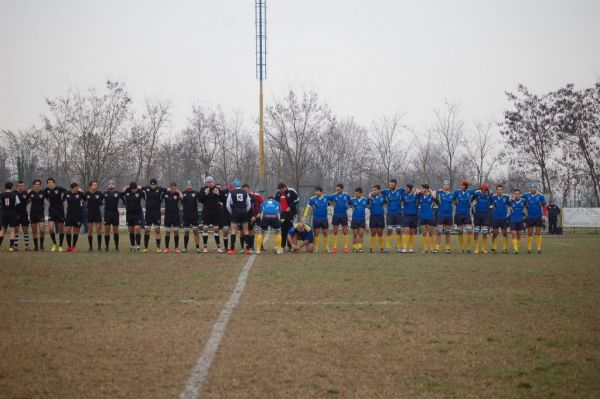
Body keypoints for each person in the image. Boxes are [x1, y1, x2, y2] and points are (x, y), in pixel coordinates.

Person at [226, 179, 252, 255]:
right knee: (246, 230)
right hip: (243, 211)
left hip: (235, 211)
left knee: (233, 231)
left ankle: (232, 249)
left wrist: (232, 212)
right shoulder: (245, 192)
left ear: (234, 185)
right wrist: (245, 211)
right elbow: (249, 205)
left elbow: (228, 205)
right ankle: (247, 249)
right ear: (240, 185)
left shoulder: (231, 192)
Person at [199, 176, 224, 253]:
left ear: (213, 182)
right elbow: (200, 200)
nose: (209, 183)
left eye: (211, 182)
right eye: (208, 182)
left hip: (215, 212)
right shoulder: (203, 189)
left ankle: (218, 247)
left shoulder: (217, 189)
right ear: (206, 183)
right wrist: (205, 194)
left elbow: (223, 199)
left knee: (216, 229)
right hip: (206, 211)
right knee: (205, 228)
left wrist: (218, 194)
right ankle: (205, 247)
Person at [303, 186, 331, 253]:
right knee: (316, 234)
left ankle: (327, 248)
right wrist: (305, 216)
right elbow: (308, 207)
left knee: (325, 233)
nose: (316, 192)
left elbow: (330, 203)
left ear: (321, 192)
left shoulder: (326, 198)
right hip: (316, 218)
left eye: (317, 191)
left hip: (324, 218)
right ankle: (316, 248)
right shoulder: (312, 199)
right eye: (315, 191)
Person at [522, 182, 547, 253]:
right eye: (531, 188)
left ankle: (539, 249)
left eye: (534, 188)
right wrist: (511, 198)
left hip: (538, 216)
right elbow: (517, 197)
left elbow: (544, 206)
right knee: (529, 233)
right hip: (530, 217)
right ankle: (529, 249)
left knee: (538, 233)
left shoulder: (541, 196)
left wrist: (544, 215)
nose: (533, 189)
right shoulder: (525, 195)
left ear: (536, 188)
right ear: (530, 189)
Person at [141, 178, 165, 253]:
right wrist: (128, 187)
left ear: (156, 184)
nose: (153, 186)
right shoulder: (146, 189)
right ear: (150, 184)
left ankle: (158, 248)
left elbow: (169, 189)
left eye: (154, 184)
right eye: (151, 184)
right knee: (147, 230)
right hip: (148, 213)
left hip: (157, 213)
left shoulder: (160, 189)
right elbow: (137, 187)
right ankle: (146, 248)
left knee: (157, 230)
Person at [274, 183, 299, 250]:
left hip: (290, 214)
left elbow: (297, 199)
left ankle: (290, 246)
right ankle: (282, 246)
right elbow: (275, 202)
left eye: (281, 189)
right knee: (282, 229)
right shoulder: (278, 193)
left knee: (290, 229)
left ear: (284, 187)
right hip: (282, 215)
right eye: (279, 190)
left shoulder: (291, 191)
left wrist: (290, 207)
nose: (280, 191)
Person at [44, 177, 67, 252]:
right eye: (48, 182)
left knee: (61, 229)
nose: (50, 183)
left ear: (54, 183)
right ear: (47, 184)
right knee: (50, 228)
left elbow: (67, 193)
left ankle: (60, 245)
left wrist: (63, 199)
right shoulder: (46, 190)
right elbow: (39, 193)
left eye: (51, 182)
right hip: (51, 211)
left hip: (60, 211)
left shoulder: (59, 189)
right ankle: (54, 244)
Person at [382, 179, 404, 252]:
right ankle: (387, 248)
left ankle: (399, 248)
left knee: (398, 230)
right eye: (390, 185)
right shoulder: (386, 191)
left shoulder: (400, 190)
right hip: (390, 214)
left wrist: (416, 191)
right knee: (389, 230)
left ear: (395, 185)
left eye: (392, 185)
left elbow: (409, 190)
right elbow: (377, 192)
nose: (390, 186)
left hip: (398, 213)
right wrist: (371, 193)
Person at [454, 180, 476, 253]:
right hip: (458, 214)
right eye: (461, 185)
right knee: (460, 232)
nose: (461, 186)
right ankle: (462, 248)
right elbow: (452, 198)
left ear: (466, 186)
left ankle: (469, 248)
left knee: (469, 231)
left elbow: (478, 191)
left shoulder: (470, 192)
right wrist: (456, 204)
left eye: (462, 185)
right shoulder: (457, 192)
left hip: (467, 214)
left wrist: (472, 201)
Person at [122, 182, 144, 251]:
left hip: (138, 213)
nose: (134, 190)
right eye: (132, 189)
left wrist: (140, 187)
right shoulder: (127, 191)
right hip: (129, 213)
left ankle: (138, 245)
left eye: (135, 189)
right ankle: (132, 245)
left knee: (137, 229)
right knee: (131, 230)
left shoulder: (140, 192)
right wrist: (124, 202)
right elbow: (120, 195)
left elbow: (146, 191)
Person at [329, 184, 351, 253]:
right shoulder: (333, 195)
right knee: (335, 231)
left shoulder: (347, 195)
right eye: (336, 189)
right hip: (336, 215)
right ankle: (335, 247)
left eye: (338, 189)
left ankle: (346, 247)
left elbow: (350, 203)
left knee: (345, 231)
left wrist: (348, 206)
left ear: (342, 189)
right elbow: (328, 200)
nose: (337, 191)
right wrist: (331, 203)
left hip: (344, 215)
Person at [472, 183, 493, 254]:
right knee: (476, 231)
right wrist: (473, 208)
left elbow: (492, 203)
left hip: (485, 215)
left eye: (487, 189)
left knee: (485, 232)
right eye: (485, 189)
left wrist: (490, 210)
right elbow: (470, 197)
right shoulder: (477, 193)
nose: (486, 190)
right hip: (477, 214)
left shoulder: (490, 194)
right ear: (481, 189)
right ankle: (476, 248)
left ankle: (483, 248)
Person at [242, 184, 264, 253]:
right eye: (244, 190)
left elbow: (257, 206)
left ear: (248, 189)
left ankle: (251, 247)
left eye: (246, 189)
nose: (245, 191)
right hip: (243, 216)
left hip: (251, 216)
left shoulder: (253, 196)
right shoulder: (241, 197)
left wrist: (255, 215)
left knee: (251, 231)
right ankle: (244, 247)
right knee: (243, 232)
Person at [64, 182, 85, 252]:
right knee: (67, 230)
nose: (77, 189)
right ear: (72, 188)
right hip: (69, 215)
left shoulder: (80, 194)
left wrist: (82, 192)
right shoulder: (67, 193)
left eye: (78, 187)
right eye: (76, 188)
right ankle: (69, 246)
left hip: (77, 215)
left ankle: (73, 246)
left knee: (76, 231)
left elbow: (85, 199)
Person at [434, 180, 454, 254]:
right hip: (441, 215)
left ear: (449, 186)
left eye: (447, 185)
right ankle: (436, 248)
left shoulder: (452, 194)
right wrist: (436, 191)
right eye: (445, 184)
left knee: (447, 232)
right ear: (443, 186)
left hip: (449, 216)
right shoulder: (439, 193)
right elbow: (433, 194)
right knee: (439, 232)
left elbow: (456, 201)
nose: (446, 186)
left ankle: (448, 249)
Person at [181, 181, 201, 253]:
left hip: (194, 215)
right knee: (186, 232)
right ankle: (185, 248)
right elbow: (181, 201)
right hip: (186, 215)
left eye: (190, 185)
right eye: (188, 185)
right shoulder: (183, 193)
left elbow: (202, 198)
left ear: (192, 186)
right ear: (186, 186)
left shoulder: (196, 193)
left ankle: (197, 248)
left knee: (196, 231)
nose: (189, 186)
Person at [162, 183, 183, 253]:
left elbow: (182, 198)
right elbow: (160, 190)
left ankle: (176, 248)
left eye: (175, 189)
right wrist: (167, 189)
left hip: (175, 216)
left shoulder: (177, 194)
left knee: (176, 232)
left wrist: (179, 192)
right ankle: (166, 248)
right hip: (168, 215)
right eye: (172, 188)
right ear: (170, 188)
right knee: (167, 232)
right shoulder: (165, 193)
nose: (174, 190)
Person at [84, 181, 104, 251]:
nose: (96, 186)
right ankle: (90, 247)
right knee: (90, 230)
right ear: (91, 186)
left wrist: (100, 203)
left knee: (99, 230)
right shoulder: (87, 194)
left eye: (96, 185)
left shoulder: (99, 193)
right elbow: (83, 199)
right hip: (89, 213)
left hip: (97, 213)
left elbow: (102, 201)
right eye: (94, 185)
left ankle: (99, 247)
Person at [417, 184, 438, 253]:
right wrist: (420, 191)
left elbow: (435, 196)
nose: (421, 190)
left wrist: (429, 189)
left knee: (431, 233)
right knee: (424, 233)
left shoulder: (431, 196)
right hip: (422, 217)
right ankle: (425, 249)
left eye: (422, 188)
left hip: (430, 217)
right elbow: (416, 191)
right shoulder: (420, 196)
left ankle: (432, 249)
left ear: (426, 189)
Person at [490, 184, 510, 253]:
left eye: (501, 189)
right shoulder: (492, 197)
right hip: (495, 218)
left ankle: (505, 248)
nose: (499, 191)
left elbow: (511, 203)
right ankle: (494, 248)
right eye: (498, 189)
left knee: (504, 233)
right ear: (496, 190)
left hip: (503, 218)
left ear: (502, 190)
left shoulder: (507, 197)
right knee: (495, 233)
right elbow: (489, 205)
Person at [1, 182, 20, 251]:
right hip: (12, 214)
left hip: (4, 214)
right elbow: (18, 204)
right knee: (12, 230)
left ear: (5, 187)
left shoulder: (1, 195)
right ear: (11, 187)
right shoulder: (14, 195)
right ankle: (11, 247)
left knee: (3, 230)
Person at [28, 179, 46, 251]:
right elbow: (24, 200)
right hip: (33, 214)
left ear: (40, 185)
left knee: (42, 230)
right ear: (33, 185)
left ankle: (41, 245)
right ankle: (36, 246)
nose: (37, 185)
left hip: (41, 214)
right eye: (36, 184)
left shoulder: (43, 192)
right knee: (34, 231)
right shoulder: (30, 193)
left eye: (38, 184)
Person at [400, 182, 419, 253]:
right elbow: (398, 190)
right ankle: (404, 248)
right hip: (406, 215)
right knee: (406, 230)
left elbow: (420, 191)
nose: (406, 189)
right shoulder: (403, 194)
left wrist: (416, 190)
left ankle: (411, 248)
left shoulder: (416, 194)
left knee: (412, 232)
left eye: (407, 188)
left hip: (414, 215)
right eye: (405, 188)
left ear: (411, 189)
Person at [103, 180, 121, 251]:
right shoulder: (104, 193)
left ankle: (116, 247)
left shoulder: (118, 193)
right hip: (107, 213)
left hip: (115, 213)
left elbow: (125, 197)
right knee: (107, 230)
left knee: (115, 230)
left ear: (115, 185)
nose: (111, 185)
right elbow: (98, 201)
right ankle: (107, 246)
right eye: (110, 184)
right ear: (108, 186)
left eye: (112, 184)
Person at [368, 185, 386, 253]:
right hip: (373, 217)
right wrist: (369, 195)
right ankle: (371, 248)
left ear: (379, 190)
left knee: (380, 233)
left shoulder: (383, 197)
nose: (374, 191)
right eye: (373, 190)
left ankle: (381, 248)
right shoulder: (371, 197)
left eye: (375, 190)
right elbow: (367, 203)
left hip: (380, 217)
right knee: (373, 233)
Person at [349, 188, 368, 253]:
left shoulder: (365, 200)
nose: (356, 194)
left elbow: (369, 205)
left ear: (361, 193)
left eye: (357, 193)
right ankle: (355, 248)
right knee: (354, 235)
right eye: (355, 193)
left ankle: (360, 248)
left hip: (362, 220)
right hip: (355, 220)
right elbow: (347, 204)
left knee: (361, 234)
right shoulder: (352, 200)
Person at [508, 189, 527, 254]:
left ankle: (517, 247)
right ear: (514, 195)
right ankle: (515, 249)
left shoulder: (523, 201)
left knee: (519, 234)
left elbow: (524, 211)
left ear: (520, 195)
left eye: (518, 194)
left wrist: (524, 221)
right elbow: (507, 201)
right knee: (514, 233)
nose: (517, 195)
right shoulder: (511, 201)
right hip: (513, 220)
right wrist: (510, 198)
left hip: (520, 220)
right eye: (515, 194)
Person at [14, 181, 30, 251]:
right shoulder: (13, 193)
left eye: (22, 186)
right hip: (15, 214)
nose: (21, 187)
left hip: (24, 214)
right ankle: (15, 246)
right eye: (19, 186)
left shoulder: (26, 193)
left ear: (24, 186)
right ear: (17, 186)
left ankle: (27, 246)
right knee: (16, 230)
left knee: (25, 230)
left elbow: (29, 200)